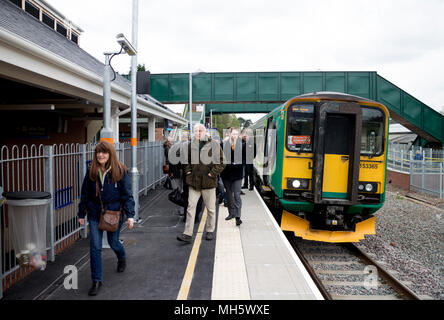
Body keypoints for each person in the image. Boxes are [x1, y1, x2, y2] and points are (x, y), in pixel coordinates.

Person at [78, 141, 135, 296]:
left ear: (110, 154)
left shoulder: (121, 171)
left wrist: (130, 215)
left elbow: (127, 195)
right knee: (95, 246)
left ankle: (121, 257)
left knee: (113, 242)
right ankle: (96, 280)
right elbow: (85, 194)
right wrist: (81, 213)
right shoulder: (92, 171)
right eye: (98, 152)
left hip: (114, 214)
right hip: (95, 214)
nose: (100, 155)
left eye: (104, 152)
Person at [177, 123, 226, 243]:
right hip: (194, 183)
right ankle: (187, 234)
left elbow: (222, 162)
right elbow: (185, 160)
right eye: (195, 131)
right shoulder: (190, 145)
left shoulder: (214, 145)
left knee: (210, 209)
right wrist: (188, 171)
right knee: (190, 207)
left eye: (200, 131)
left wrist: (212, 174)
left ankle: (209, 231)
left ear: (205, 132)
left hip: (208, 182)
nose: (198, 133)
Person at [220, 127, 246, 226]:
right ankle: (231, 213)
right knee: (229, 194)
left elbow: (245, 159)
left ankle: (238, 217)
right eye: (233, 134)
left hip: (237, 174)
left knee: (237, 195)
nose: (234, 136)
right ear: (229, 134)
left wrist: (237, 163)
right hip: (226, 174)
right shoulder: (224, 144)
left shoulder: (242, 146)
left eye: (236, 134)